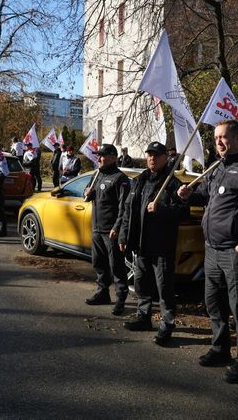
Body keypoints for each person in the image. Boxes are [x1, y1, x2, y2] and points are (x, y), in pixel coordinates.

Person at [177, 119, 238, 383]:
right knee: (214, 304)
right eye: (216, 137)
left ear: (237, 138)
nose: (218, 142)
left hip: (234, 253)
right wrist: (188, 194)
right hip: (212, 251)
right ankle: (220, 349)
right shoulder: (218, 167)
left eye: (223, 137)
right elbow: (205, 193)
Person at [119, 141, 188, 346]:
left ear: (165, 158)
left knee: (164, 288)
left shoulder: (173, 184)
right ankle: (143, 316)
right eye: (149, 154)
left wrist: (162, 209)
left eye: (157, 155)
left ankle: (167, 324)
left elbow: (183, 213)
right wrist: (124, 235)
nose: (152, 158)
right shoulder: (139, 180)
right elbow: (127, 210)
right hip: (141, 245)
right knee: (141, 283)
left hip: (162, 246)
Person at [83, 144, 131, 315]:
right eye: (98, 155)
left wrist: (117, 227)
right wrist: (87, 192)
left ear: (112, 157)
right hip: (96, 228)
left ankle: (120, 299)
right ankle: (103, 293)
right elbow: (87, 195)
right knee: (99, 263)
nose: (99, 158)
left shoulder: (120, 179)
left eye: (102, 156)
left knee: (116, 266)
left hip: (111, 231)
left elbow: (123, 207)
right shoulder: (98, 175)